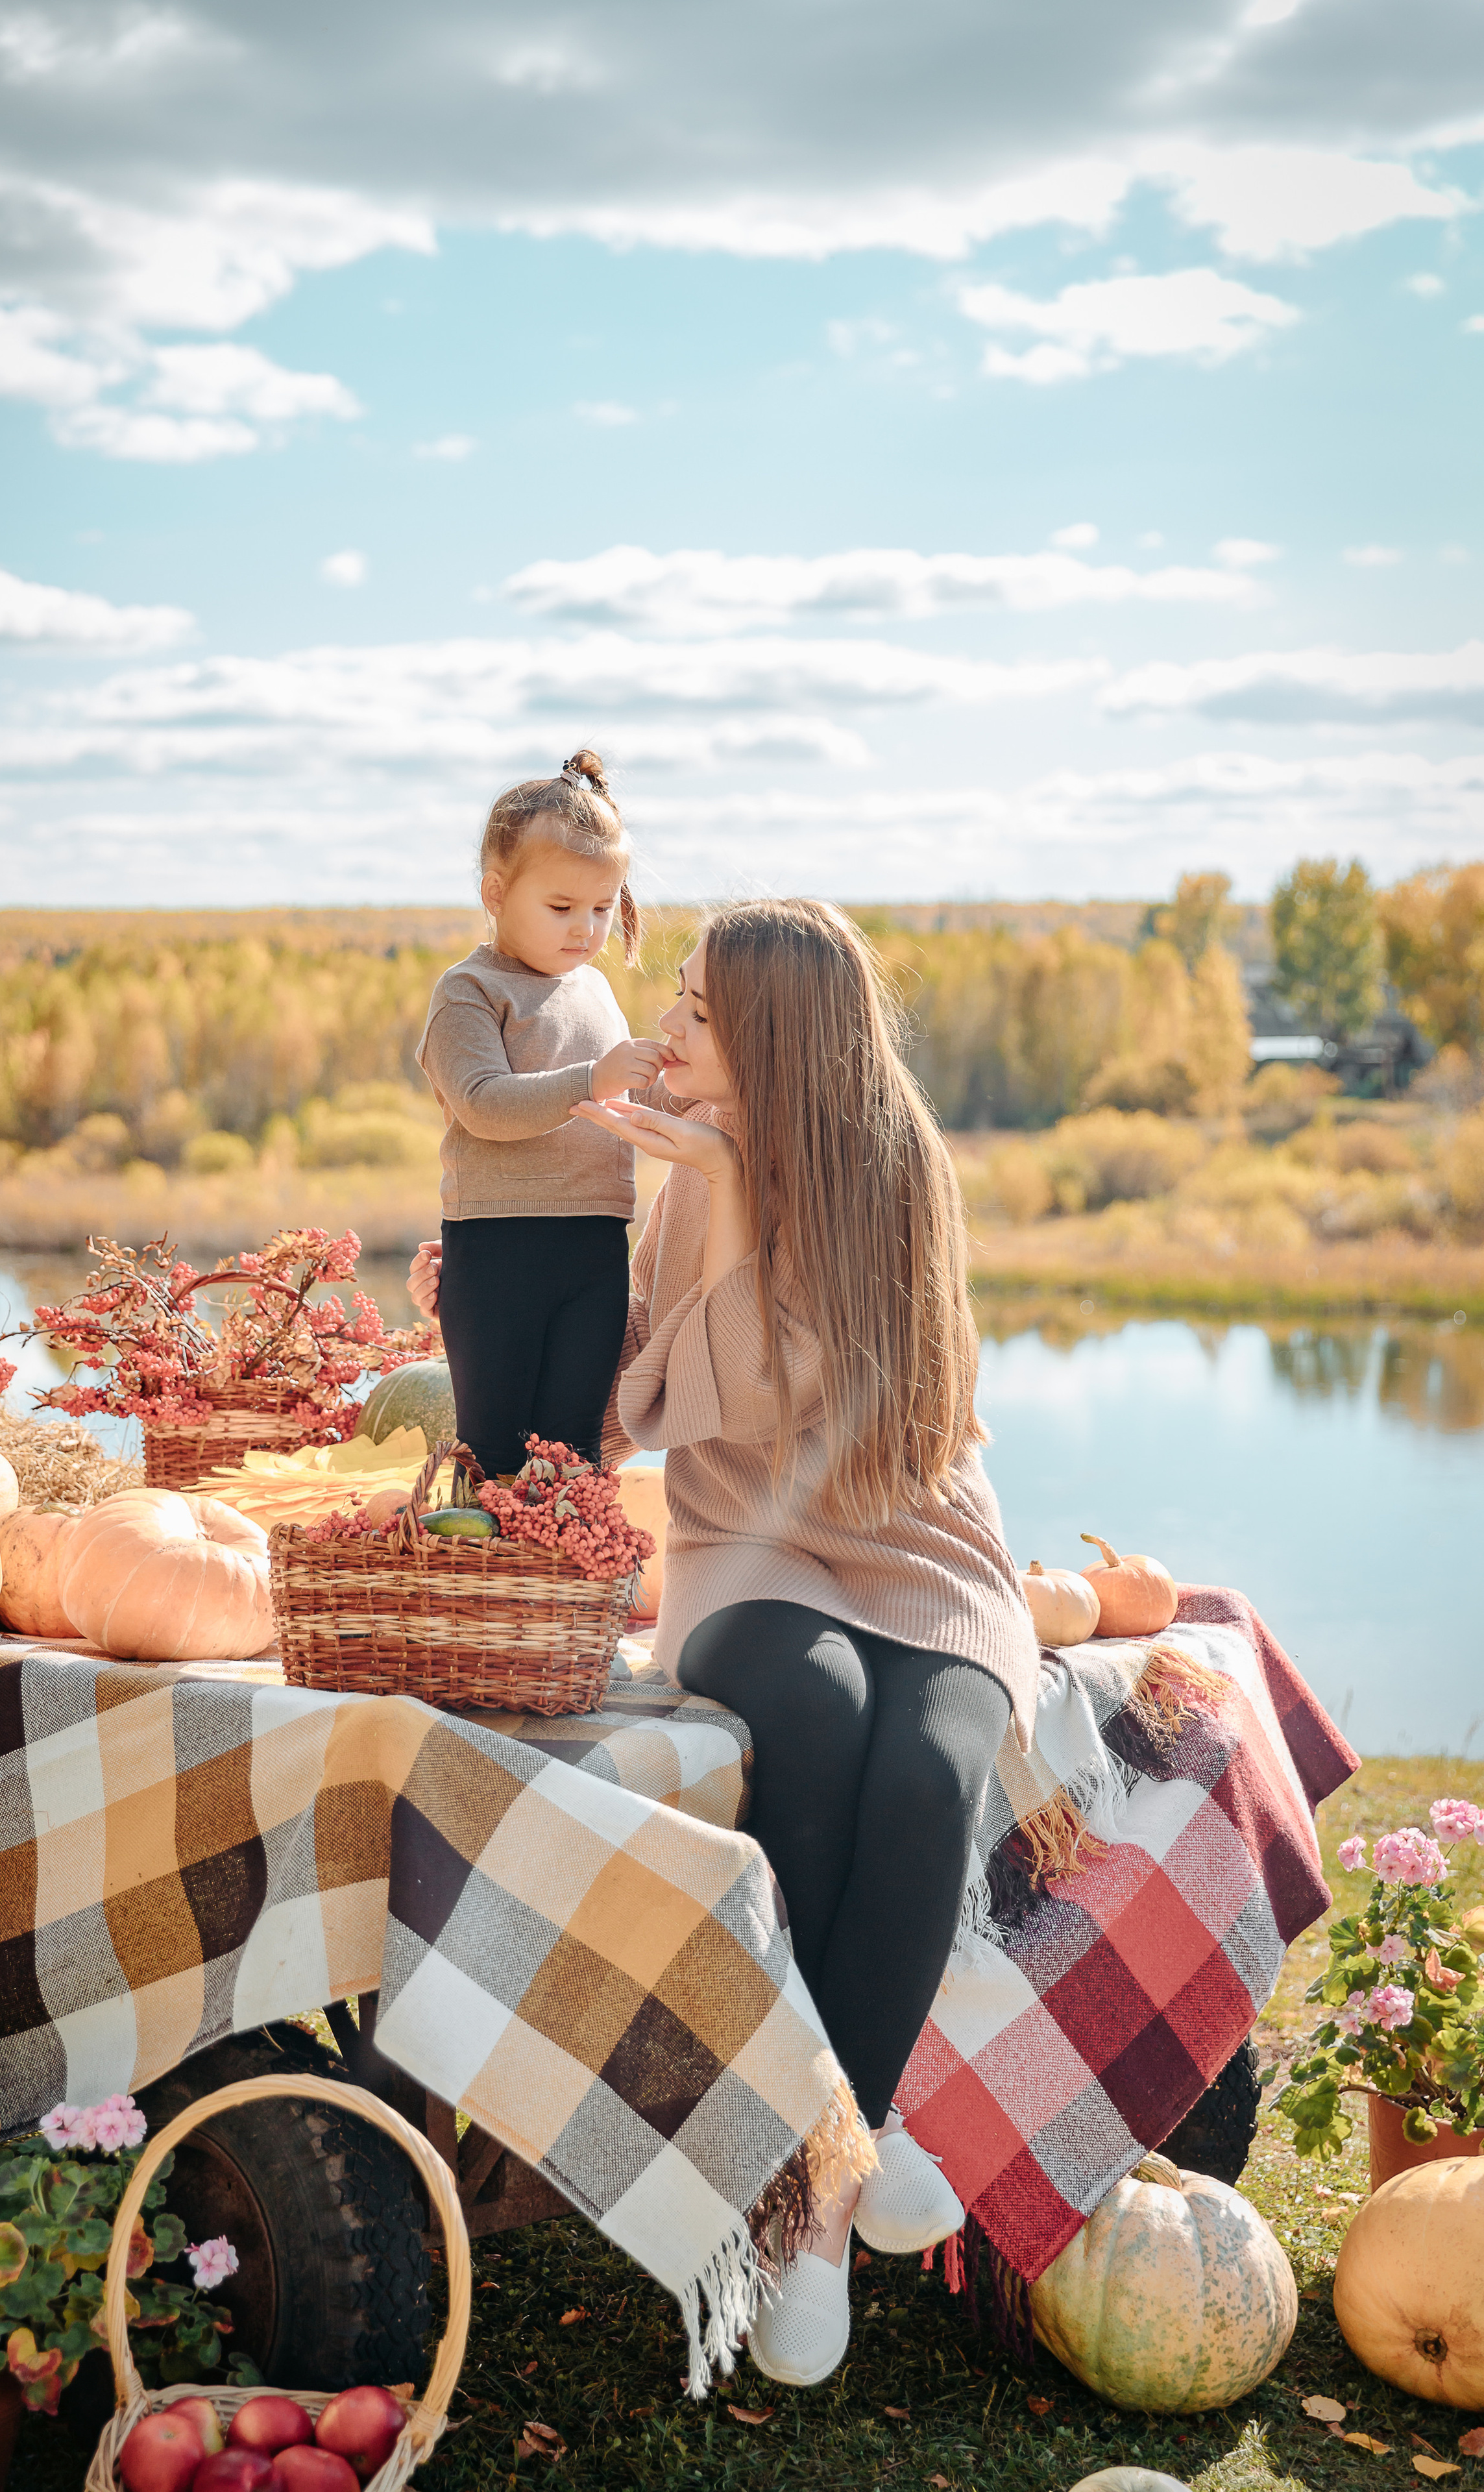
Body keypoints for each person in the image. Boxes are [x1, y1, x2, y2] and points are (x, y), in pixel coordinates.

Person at [410, 896, 1040, 2391]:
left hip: (915, 1536)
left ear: (774, 1043)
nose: (666, 1026)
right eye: (676, 998)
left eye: (697, 1009)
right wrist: (496, 1306)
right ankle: (840, 2158)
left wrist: (739, 1195)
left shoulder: (895, 1164)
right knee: (811, 1723)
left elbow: (874, 1407)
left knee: (928, 1769)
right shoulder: (680, 1167)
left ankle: (810, 2204)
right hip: (745, 1541)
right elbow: (678, 1403)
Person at [413, 751, 663, 1477]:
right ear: (496, 892)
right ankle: (494, 1586)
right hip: (497, 1246)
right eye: (561, 908)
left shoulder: (596, 992)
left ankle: (569, 1588)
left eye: (601, 908)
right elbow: (485, 1106)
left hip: (594, 1244)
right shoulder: (469, 992)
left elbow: (632, 1098)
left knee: (573, 1448)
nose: (585, 929)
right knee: (492, 1450)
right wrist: (595, 1077)